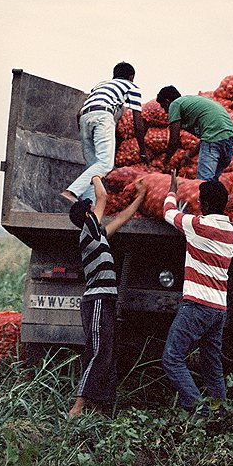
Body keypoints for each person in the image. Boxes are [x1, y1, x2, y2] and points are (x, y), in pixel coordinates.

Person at [67, 175, 147, 418]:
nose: (96, 210)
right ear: (88, 215)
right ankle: (78, 406)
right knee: (99, 351)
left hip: (105, 301)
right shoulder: (87, 234)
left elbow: (122, 217)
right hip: (97, 301)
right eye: (92, 210)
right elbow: (102, 196)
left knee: (107, 352)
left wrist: (141, 197)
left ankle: (99, 405)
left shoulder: (98, 235)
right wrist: (96, 176)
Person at [161, 169, 233, 417]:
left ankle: (199, 410)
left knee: (172, 358)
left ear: (203, 205)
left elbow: (168, 213)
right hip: (219, 308)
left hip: (197, 305)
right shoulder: (229, 231)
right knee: (211, 363)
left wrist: (172, 189)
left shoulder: (199, 226)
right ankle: (221, 411)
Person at [61, 62, 149, 203]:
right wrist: (143, 151)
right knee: (105, 164)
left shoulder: (101, 85)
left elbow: (78, 113)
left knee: (93, 167)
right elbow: (137, 122)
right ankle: (71, 191)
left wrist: (85, 135)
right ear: (131, 77)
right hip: (103, 116)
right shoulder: (131, 87)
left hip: (84, 118)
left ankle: (89, 207)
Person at [156, 86, 233, 181]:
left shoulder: (175, 104)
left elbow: (174, 140)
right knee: (213, 184)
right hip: (229, 139)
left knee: (203, 183)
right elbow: (208, 137)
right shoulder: (190, 101)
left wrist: (166, 160)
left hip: (214, 141)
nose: (165, 112)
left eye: (164, 107)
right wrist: (189, 155)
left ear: (167, 101)